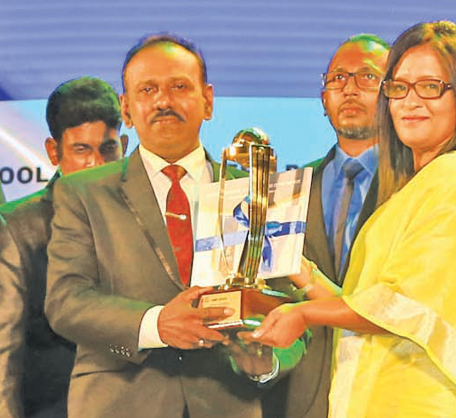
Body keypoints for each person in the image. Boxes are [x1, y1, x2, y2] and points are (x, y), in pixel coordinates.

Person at [251, 21, 456, 417]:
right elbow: (373, 306)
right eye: (399, 87)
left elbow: (402, 306)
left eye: (430, 86)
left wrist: (301, 313)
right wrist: (299, 270)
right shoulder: (413, 190)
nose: (410, 101)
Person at [45, 34, 301, 418]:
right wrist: (155, 324)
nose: (163, 101)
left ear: (208, 100)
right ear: (127, 108)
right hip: (119, 404)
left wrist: (267, 360)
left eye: (179, 86)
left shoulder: (259, 191)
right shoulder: (83, 193)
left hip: (228, 403)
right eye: (148, 89)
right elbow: (65, 301)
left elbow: (294, 311)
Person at [264, 34, 389, 418]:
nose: (349, 89)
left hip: (387, 391)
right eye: (337, 79)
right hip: (304, 400)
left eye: (366, 77)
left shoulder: (418, 187)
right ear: (323, 100)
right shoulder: (281, 193)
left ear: (394, 95)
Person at [0, 76, 128, 418]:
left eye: (108, 149)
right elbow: (4, 358)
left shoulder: (147, 217)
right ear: (54, 151)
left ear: (125, 146)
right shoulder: (19, 228)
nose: (97, 165)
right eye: (81, 150)